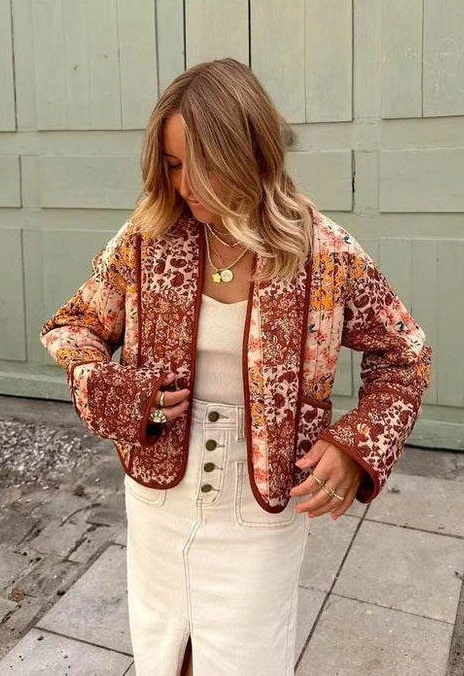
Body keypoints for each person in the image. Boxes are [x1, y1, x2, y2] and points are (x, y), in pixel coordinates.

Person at [39, 58, 432, 676]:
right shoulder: (146, 240)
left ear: (248, 153)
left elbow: (405, 355)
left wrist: (356, 447)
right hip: (158, 495)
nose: (184, 185)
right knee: (164, 654)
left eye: (201, 165)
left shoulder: (323, 252)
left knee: (248, 660)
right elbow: (72, 327)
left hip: (261, 503)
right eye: (172, 164)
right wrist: (112, 390)